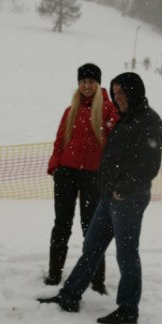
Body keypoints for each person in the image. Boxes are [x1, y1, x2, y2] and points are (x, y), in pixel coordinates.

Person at [38, 72, 162, 324]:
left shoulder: (149, 120)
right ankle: (70, 295)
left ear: (134, 92)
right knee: (92, 247)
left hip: (129, 197)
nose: (118, 98)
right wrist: (106, 187)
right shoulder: (124, 118)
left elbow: (150, 165)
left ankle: (128, 309)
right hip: (109, 195)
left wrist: (123, 189)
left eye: (122, 93)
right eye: (115, 93)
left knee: (126, 254)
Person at [44, 63, 118, 292]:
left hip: (93, 176)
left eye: (91, 81)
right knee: (62, 224)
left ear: (98, 83)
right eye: (83, 81)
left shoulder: (108, 109)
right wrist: (56, 166)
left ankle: (97, 281)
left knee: (92, 228)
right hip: (67, 173)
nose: (87, 85)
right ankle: (54, 273)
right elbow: (60, 141)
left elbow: (115, 141)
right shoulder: (71, 110)